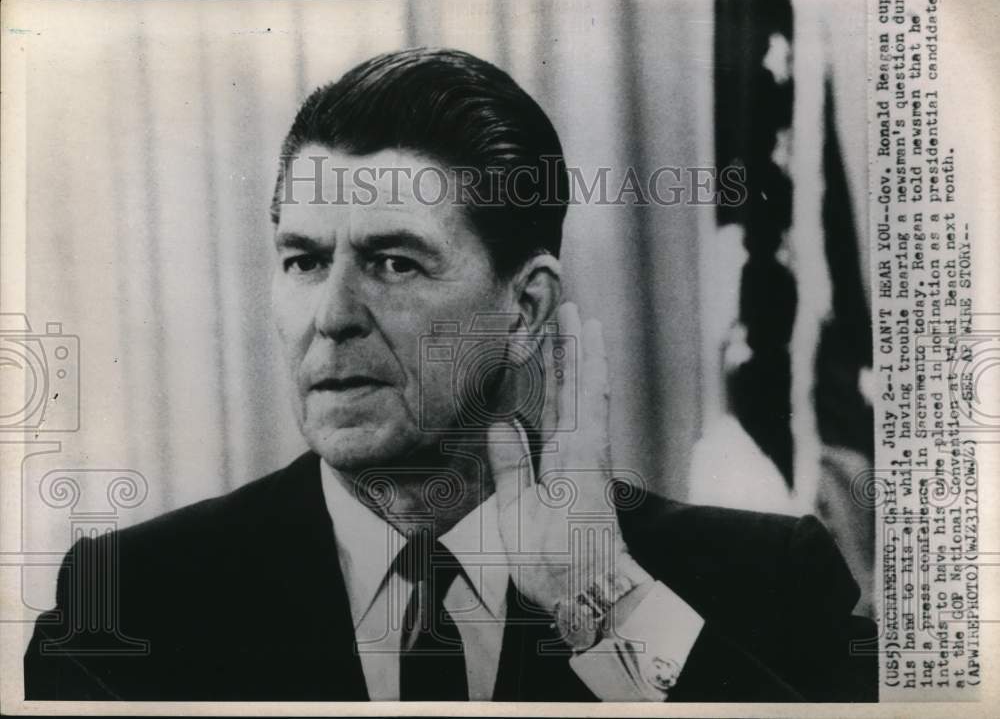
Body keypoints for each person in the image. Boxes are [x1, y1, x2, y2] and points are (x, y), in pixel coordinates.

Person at [24, 47, 876, 702]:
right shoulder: (132, 602)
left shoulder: (769, 583)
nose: (333, 312)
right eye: (303, 261)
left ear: (527, 309)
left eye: (394, 262)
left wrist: (602, 599)